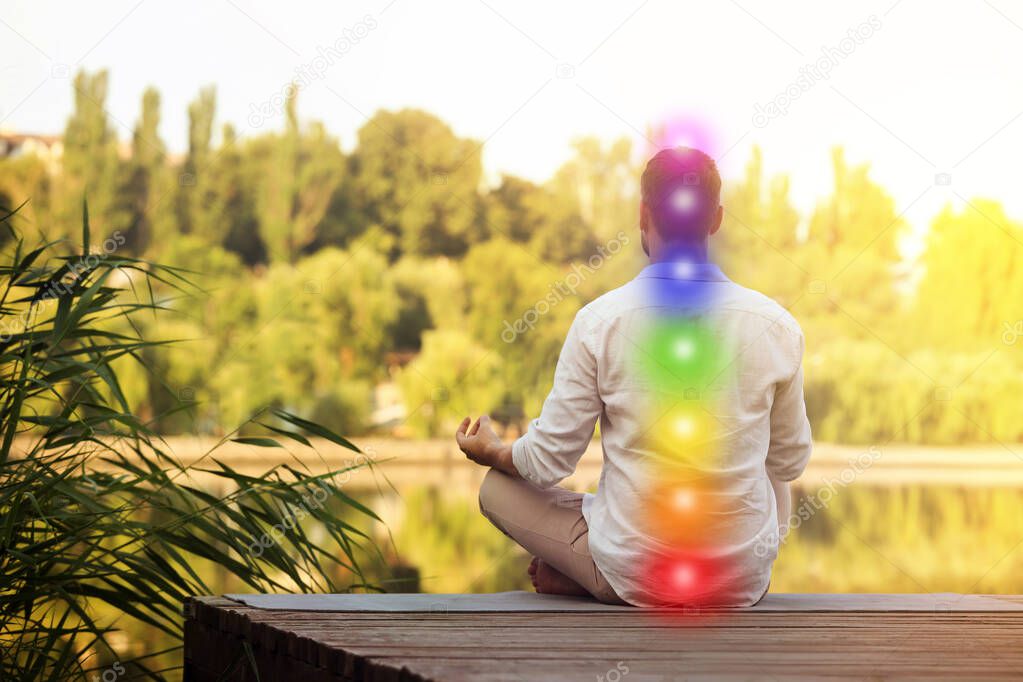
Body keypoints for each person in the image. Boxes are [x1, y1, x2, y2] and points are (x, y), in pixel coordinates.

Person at [455, 147, 812, 607]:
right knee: (768, 454)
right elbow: (790, 464)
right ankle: (696, 571)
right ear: (717, 219)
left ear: (644, 213)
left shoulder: (599, 321)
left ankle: (594, 574)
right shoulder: (777, 324)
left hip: (635, 574)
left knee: (498, 486)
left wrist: (493, 451)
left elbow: (547, 463)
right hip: (740, 585)